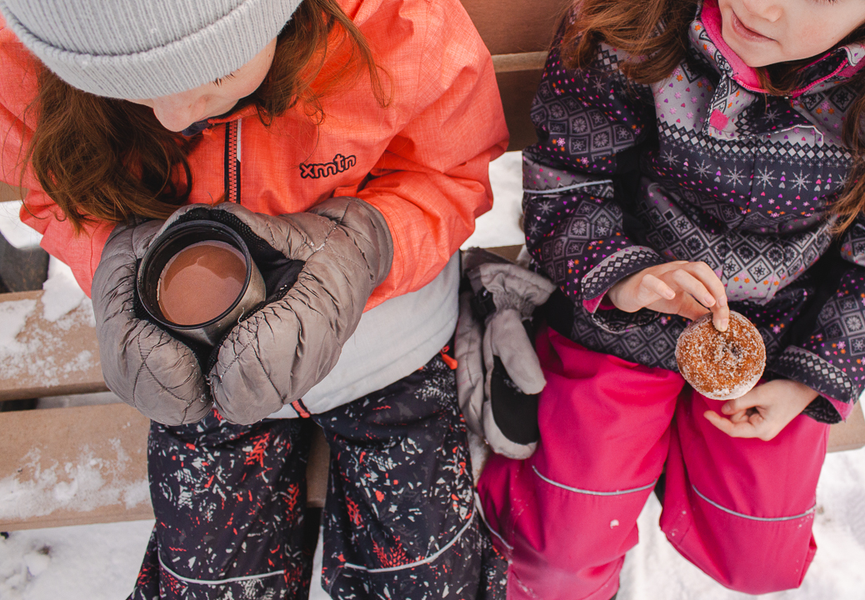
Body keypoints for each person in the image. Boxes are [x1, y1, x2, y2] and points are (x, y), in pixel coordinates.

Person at [0, 0, 510, 598]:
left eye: (213, 73)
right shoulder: (30, 43)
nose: (171, 118)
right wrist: (114, 260)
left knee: (430, 580)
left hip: (388, 347)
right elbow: (58, 191)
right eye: (125, 89)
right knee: (206, 583)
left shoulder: (394, 19)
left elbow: (449, 169)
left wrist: (363, 246)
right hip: (199, 371)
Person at [475, 0, 865, 598]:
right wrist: (622, 277)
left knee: (761, 562)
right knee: (557, 567)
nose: (763, 6)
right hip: (621, 319)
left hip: (776, 342)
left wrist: (814, 379)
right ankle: (559, 475)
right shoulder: (634, 28)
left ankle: (666, 456)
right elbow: (571, 178)